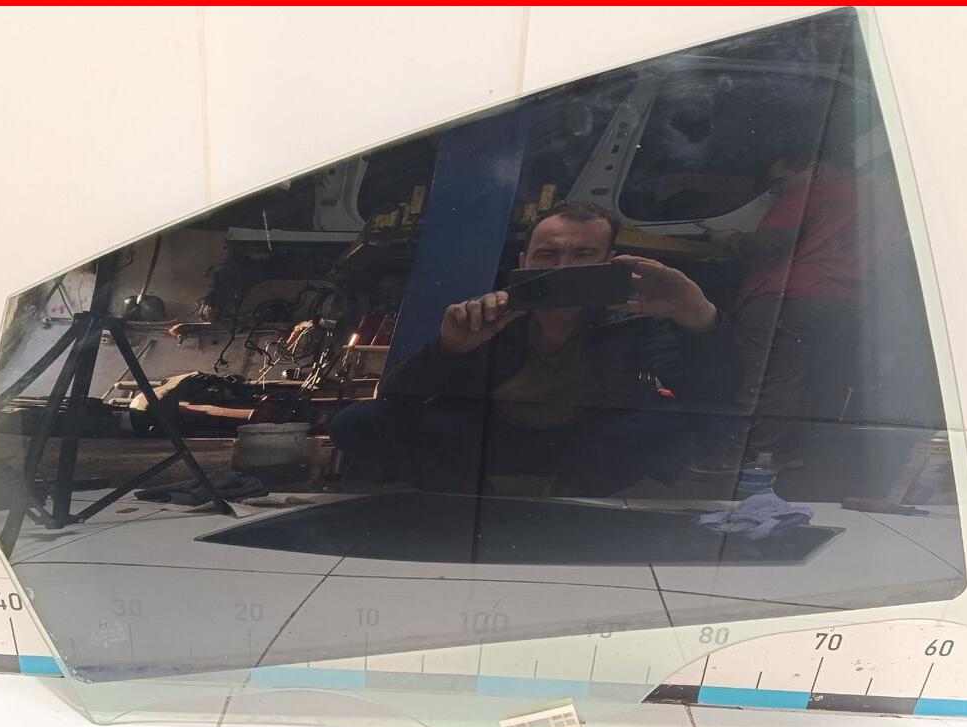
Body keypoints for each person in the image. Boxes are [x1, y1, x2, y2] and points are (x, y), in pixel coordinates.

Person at [328, 202, 739, 496]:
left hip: (589, 443)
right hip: (492, 439)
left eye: (583, 255)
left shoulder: (633, 318)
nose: (562, 267)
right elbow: (396, 397)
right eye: (547, 254)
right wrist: (449, 349)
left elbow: (714, 397)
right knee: (357, 422)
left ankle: (574, 497)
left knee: (706, 422)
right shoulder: (491, 315)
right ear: (524, 260)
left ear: (610, 261)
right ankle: (471, 496)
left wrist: (699, 318)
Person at [691, 143, 870, 474]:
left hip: (787, 297)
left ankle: (751, 455)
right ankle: (789, 450)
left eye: (781, 181)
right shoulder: (878, 195)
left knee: (764, 378)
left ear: (815, 169)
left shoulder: (809, 192)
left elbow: (769, 243)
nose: (776, 191)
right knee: (808, 378)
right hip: (847, 301)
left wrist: (727, 238)